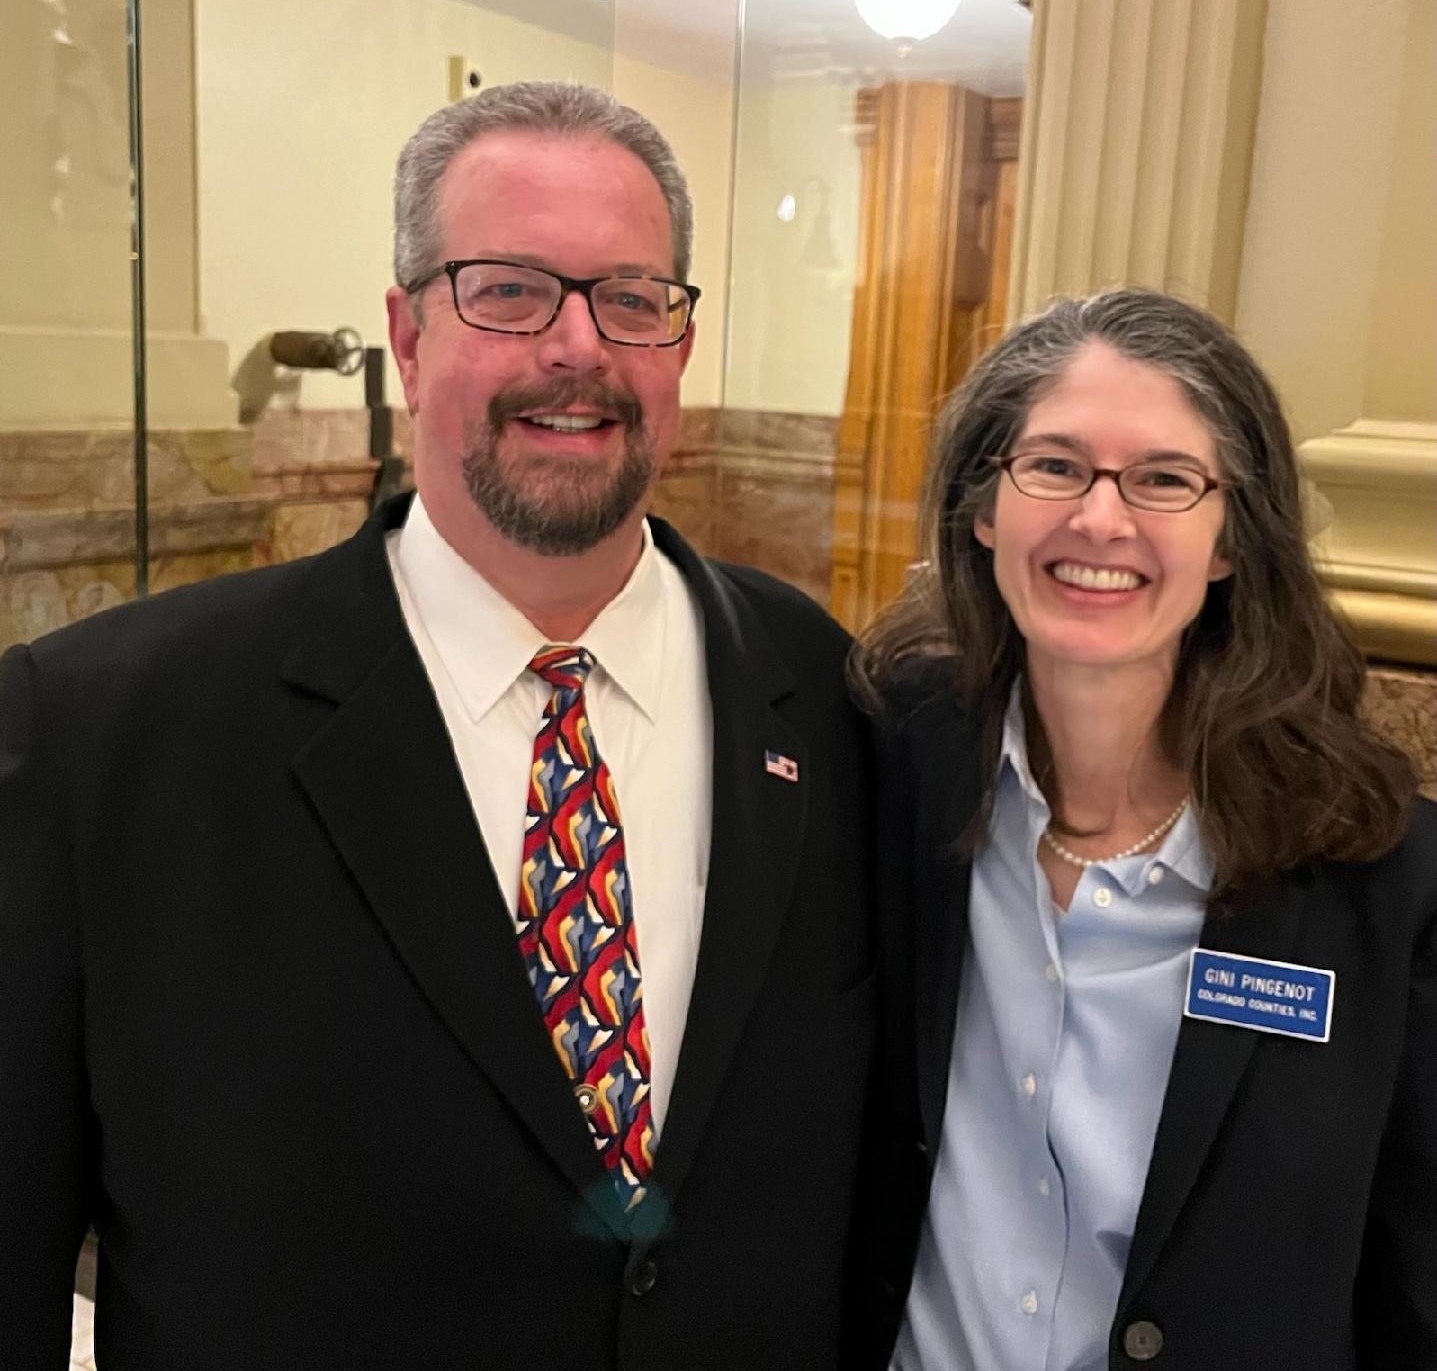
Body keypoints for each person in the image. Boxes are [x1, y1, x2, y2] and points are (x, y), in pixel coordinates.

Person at [0, 82, 876, 1369]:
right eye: (510, 291)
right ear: (408, 336)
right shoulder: (104, 737)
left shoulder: (829, 695)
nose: (577, 346)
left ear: (679, 344)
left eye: (630, 298)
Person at [854, 289, 1436, 1370]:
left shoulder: (1381, 879)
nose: (1100, 520)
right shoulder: (892, 772)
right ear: (986, 509)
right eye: (1057, 466)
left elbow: (1415, 1277)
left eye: (1164, 479)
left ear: (1229, 542)